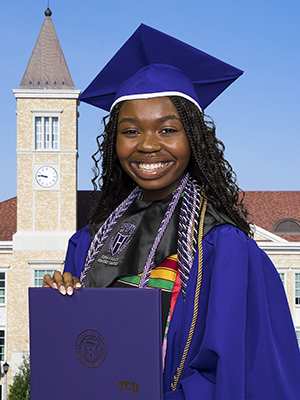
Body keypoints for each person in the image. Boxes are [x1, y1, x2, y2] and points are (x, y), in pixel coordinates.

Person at [43, 24, 300, 399]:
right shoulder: (88, 242)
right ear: (114, 140)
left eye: (167, 130)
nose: (148, 145)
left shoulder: (222, 246)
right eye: (130, 131)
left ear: (193, 139)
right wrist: (62, 305)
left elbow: (240, 370)